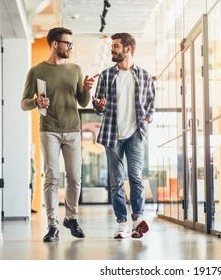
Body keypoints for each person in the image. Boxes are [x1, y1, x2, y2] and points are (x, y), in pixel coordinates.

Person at [21, 27, 98, 242]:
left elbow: (82, 102)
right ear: (55, 44)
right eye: (67, 43)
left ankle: (71, 218)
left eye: (71, 44)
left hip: (73, 129)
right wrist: (36, 101)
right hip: (49, 130)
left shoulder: (75, 69)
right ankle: (52, 224)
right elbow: (24, 103)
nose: (70, 47)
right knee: (52, 178)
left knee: (75, 177)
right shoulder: (36, 71)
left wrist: (87, 88)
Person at [92, 32, 155, 239]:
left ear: (127, 49)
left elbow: (151, 105)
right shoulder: (107, 75)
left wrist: (145, 120)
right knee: (116, 181)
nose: (112, 49)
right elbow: (99, 107)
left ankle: (137, 219)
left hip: (135, 134)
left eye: (116, 46)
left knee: (136, 178)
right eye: (112, 46)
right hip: (112, 134)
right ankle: (122, 223)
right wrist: (98, 106)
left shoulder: (144, 75)